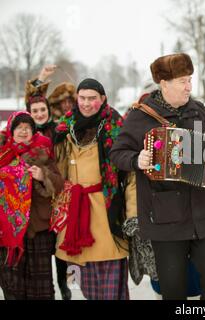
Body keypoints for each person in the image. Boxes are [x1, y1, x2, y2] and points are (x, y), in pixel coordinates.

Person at [110, 53, 205, 300]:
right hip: (166, 218)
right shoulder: (141, 116)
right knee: (173, 287)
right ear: (164, 83)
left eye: (189, 79)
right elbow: (117, 153)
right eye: (182, 81)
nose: (189, 86)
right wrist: (138, 159)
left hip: (203, 213)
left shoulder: (199, 111)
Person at [52, 78, 135, 300]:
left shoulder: (117, 127)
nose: (87, 103)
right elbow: (57, 172)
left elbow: (130, 177)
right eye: (82, 98)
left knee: (111, 287)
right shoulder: (64, 127)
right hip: (74, 218)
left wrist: (133, 215)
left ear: (103, 99)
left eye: (92, 98)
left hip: (107, 214)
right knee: (79, 285)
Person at [0, 112, 64, 300]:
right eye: (19, 127)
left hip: (38, 229)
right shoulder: (3, 152)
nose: (23, 131)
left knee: (41, 286)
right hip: (8, 231)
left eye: (28, 128)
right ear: (12, 130)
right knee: (12, 284)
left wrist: (43, 176)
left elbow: (59, 183)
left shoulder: (43, 150)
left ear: (33, 131)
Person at [24, 75, 72, 300]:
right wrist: (40, 78)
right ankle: (48, 286)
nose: (40, 114)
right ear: (30, 113)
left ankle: (65, 282)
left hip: (61, 191)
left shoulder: (59, 130)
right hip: (40, 198)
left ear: (48, 110)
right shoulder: (25, 133)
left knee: (62, 245)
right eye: (35, 111)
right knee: (43, 249)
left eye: (42, 110)